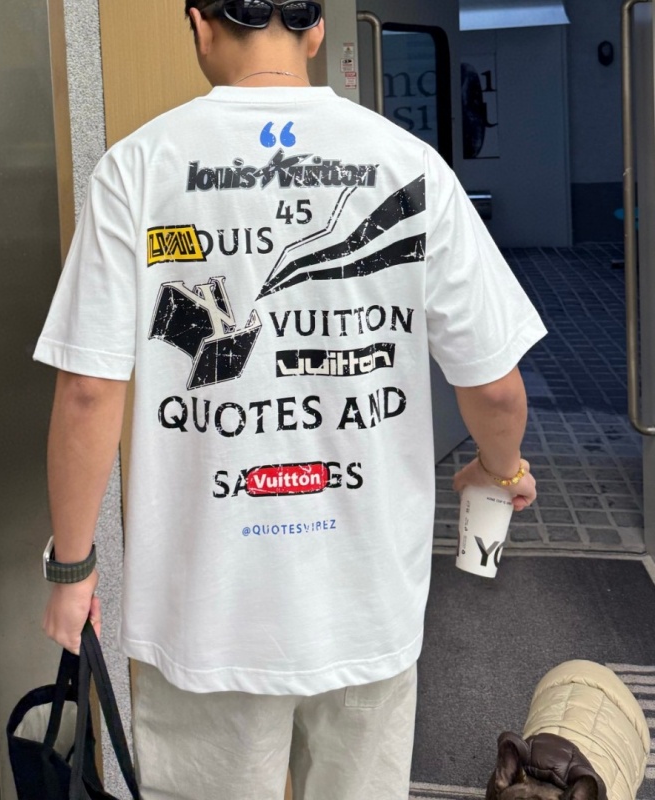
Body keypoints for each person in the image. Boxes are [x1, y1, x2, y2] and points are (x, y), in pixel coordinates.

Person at [34, 1, 545, 798]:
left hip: (205, 614)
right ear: (315, 31)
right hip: (365, 604)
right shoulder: (409, 166)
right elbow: (495, 387)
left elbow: (88, 393)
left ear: (201, 25)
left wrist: (73, 572)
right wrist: (499, 469)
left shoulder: (139, 168)